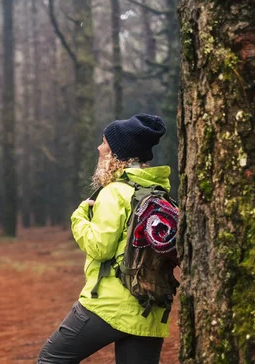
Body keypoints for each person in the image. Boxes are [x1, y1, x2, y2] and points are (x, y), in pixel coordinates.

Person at [37, 113, 172, 364]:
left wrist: (79, 218)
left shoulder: (114, 193)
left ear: (118, 154)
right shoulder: (159, 194)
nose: (99, 148)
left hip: (108, 305)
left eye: (104, 143)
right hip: (150, 308)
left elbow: (100, 248)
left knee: (51, 360)